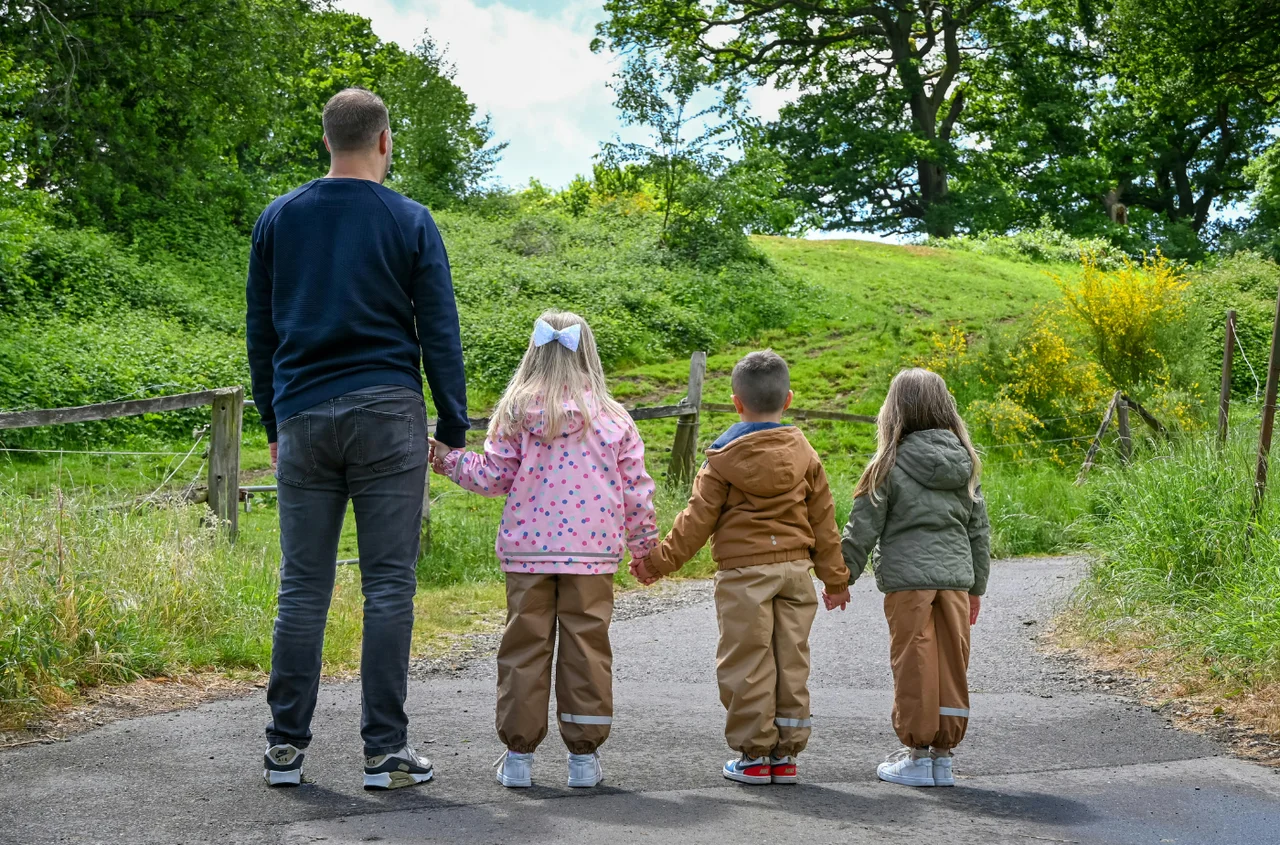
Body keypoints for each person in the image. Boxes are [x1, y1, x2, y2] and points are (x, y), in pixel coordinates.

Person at [247, 87, 468, 790]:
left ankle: (285, 746)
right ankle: (384, 750)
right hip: (387, 413)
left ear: (326, 142)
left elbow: (262, 332)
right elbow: (439, 327)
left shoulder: (277, 219)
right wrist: (453, 424)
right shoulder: (410, 219)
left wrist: (273, 422)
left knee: (303, 585)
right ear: (384, 142)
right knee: (389, 586)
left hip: (304, 413)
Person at [429, 311, 657, 790]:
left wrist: (449, 461)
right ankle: (583, 759)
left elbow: (493, 477)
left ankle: (517, 757)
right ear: (588, 353)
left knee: (523, 649)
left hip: (528, 553)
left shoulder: (515, 412)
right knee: (587, 649)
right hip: (592, 555)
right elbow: (636, 490)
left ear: (534, 353)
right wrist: (644, 547)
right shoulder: (615, 420)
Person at [632, 349, 851, 786]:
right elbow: (824, 523)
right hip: (795, 572)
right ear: (787, 400)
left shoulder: (721, 461)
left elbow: (695, 523)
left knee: (747, 662)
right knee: (792, 660)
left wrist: (657, 562)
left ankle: (755, 755)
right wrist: (836, 580)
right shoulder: (806, 456)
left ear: (736, 403)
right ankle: (786, 756)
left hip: (743, 576)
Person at [840, 368, 990, 788]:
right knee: (952, 665)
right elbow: (978, 531)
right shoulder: (966, 463)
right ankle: (943, 757)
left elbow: (862, 527)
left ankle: (917, 754)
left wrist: (841, 577)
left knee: (914, 663)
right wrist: (977, 588)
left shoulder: (888, 464)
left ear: (895, 411)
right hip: (956, 584)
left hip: (908, 586)